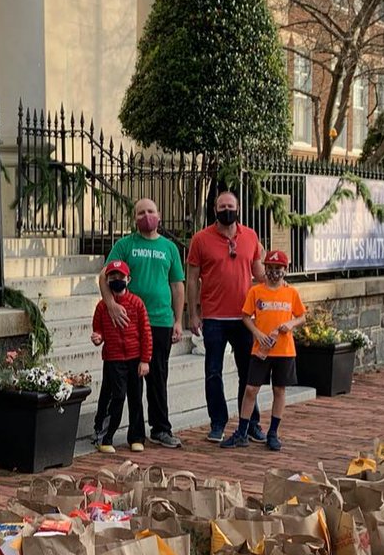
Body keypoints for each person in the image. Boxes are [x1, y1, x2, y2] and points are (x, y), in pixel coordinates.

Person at [99, 198, 185, 448]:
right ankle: (130, 433)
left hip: (160, 320)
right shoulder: (125, 245)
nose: (146, 216)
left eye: (150, 211)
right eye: (140, 213)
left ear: (158, 215)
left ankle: (161, 428)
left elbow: (177, 285)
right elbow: (104, 276)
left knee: (157, 376)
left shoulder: (169, 248)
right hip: (129, 321)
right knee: (131, 381)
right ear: (134, 218)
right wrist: (111, 305)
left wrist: (178, 320)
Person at [186, 189, 266, 443]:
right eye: (222, 206)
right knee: (213, 372)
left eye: (230, 206)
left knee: (248, 373)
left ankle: (250, 423)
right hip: (213, 318)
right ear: (214, 209)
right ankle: (218, 423)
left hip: (244, 318)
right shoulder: (201, 239)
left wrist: (277, 281)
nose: (226, 210)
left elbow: (259, 271)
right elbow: (191, 279)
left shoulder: (250, 236)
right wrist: (193, 313)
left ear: (238, 208)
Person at [221, 250, 306, 452]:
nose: (274, 272)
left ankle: (273, 432)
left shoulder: (291, 293)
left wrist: (290, 324)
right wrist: (257, 333)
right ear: (265, 269)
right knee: (251, 389)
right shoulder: (256, 291)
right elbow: (245, 316)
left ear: (284, 270)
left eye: (278, 269)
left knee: (279, 389)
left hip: (284, 350)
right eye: (270, 268)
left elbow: (302, 316)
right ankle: (242, 431)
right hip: (261, 349)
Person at [90, 260, 152, 454]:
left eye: (121, 277)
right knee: (116, 397)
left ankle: (136, 437)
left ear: (128, 279)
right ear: (107, 280)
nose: (117, 281)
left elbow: (146, 333)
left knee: (135, 398)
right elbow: (98, 330)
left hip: (134, 358)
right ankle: (105, 436)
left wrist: (145, 360)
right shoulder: (102, 307)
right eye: (112, 277)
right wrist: (98, 337)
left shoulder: (137, 304)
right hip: (114, 359)